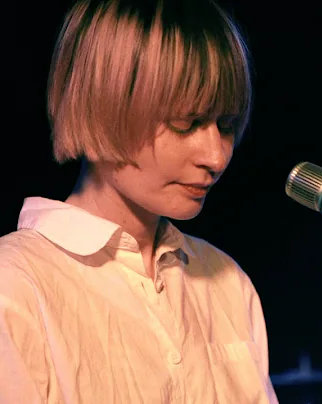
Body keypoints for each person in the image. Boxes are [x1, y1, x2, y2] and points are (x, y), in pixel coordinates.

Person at [0, 0, 279, 403]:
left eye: (227, 125)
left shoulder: (227, 283)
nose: (216, 157)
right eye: (187, 123)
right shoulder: (17, 285)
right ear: (104, 106)